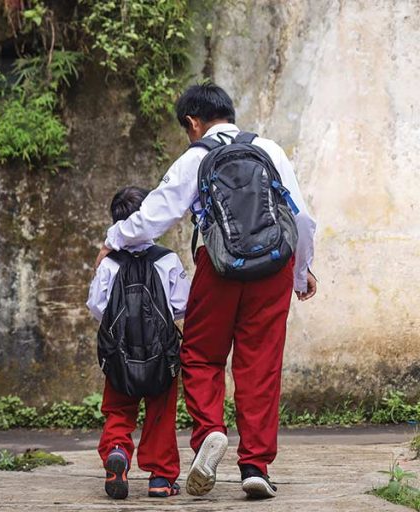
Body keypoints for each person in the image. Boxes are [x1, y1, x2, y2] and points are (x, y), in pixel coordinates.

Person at [94, 84, 317, 500]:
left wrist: (114, 238)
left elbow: (153, 216)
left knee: (200, 356)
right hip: (273, 268)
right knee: (260, 365)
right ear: (230, 114)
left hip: (218, 267)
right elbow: (302, 219)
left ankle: (210, 432)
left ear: (193, 122)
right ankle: (255, 465)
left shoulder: (196, 157)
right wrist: (301, 273)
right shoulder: (270, 150)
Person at [87, 186, 190, 500]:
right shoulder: (167, 259)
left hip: (119, 354)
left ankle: (117, 451)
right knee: (160, 413)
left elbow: (96, 307)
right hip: (161, 354)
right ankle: (160, 478)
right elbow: (183, 304)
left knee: (118, 410)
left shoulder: (109, 263)